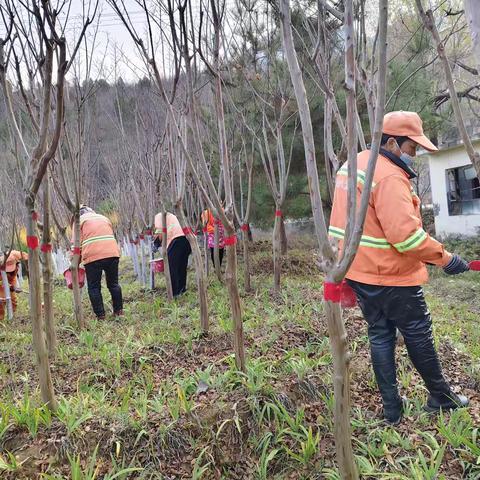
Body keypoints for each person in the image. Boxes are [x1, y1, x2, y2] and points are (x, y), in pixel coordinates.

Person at [329, 111, 470, 425]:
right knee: (418, 333)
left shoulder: (352, 165)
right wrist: (446, 258)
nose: (414, 154)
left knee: (380, 334)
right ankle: (440, 397)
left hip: (358, 270)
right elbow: (406, 238)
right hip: (391, 274)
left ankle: (392, 409)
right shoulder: (390, 175)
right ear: (392, 141)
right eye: (411, 147)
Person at [73, 206, 123, 319]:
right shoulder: (104, 218)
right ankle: (119, 312)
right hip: (112, 252)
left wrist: (75, 265)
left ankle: (101, 316)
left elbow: (75, 246)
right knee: (113, 284)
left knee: (94, 287)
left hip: (93, 255)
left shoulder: (78, 221)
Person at [154, 212, 191, 297]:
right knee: (182, 266)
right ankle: (182, 289)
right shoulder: (173, 216)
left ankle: (174, 293)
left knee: (172, 268)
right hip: (187, 239)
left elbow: (159, 233)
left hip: (176, 240)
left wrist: (156, 243)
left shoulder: (158, 216)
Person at [0, 249, 28, 320]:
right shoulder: (1, 265)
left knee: (13, 299)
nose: (10, 271)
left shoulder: (15, 254)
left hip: (12, 279)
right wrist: (12, 287)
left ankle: (12, 317)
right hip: (1, 280)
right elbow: (2, 283)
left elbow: (26, 255)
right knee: (2, 300)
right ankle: (1, 319)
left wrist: (28, 261)